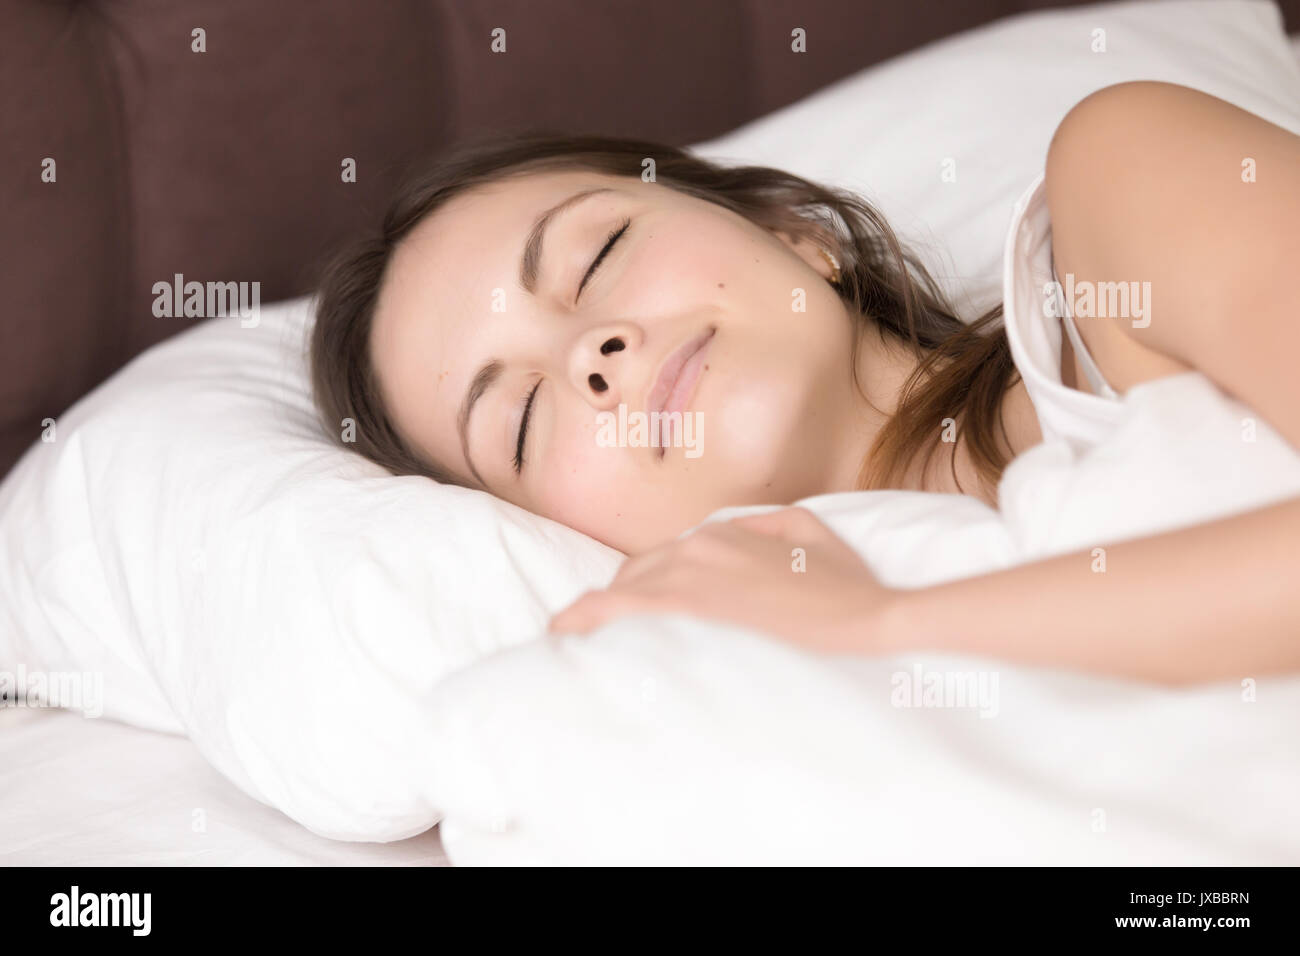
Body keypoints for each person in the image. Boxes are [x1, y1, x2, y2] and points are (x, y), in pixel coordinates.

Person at [311, 80, 1300, 684]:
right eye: (521, 421)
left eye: (598, 252)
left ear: (795, 231)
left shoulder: (1115, 189)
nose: (590, 353)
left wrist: (890, 630)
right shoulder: (754, 719)